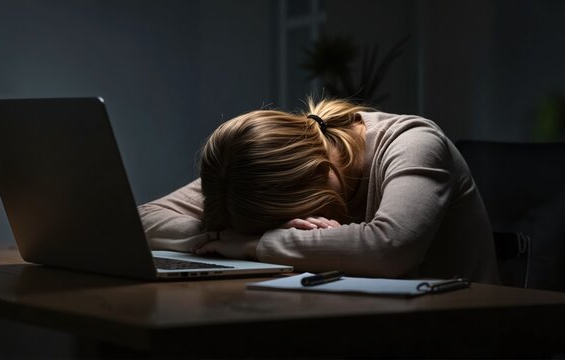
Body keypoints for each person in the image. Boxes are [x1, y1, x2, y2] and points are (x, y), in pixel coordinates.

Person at [138, 97, 499, 284]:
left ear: (319, 174)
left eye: (286, 222)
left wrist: (255, 245)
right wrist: (224, 235)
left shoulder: (412, 142)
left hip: (459, 335)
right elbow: (140, 219)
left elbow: (390, 247)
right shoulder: (255, 168)